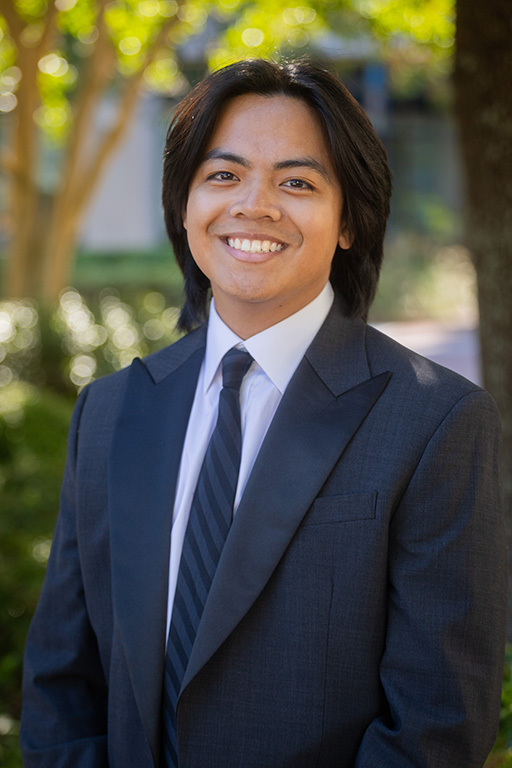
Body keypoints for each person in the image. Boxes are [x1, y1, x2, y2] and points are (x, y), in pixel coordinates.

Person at [20, 58, 506, 768]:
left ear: (349, 222)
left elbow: (435, 727)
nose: (255, 204)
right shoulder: (111, 412)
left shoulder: (435, 422)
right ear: (184, 205)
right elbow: (63, 686)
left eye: (298, 181)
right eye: (223, 175)